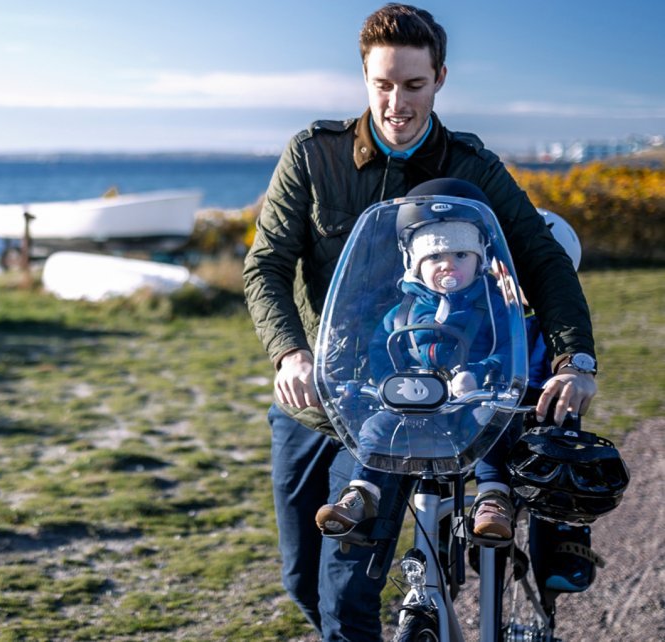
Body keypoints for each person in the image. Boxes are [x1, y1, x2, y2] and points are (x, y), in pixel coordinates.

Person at [242, 4, 598, 640]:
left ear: (439, 79)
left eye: (413, 84)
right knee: (304, 578)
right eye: (383, 84)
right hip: (322, 396)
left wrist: (575, 360)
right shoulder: (312, 155)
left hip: (429, 399)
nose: (396, 103)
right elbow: (264, 265)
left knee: (347, 584)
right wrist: (289, 354)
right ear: (365, 79)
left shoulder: (473, 165)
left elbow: (544, 260)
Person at [315, 212, 516, 540]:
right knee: (376, 427)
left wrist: (479, 374)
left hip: (469, 400)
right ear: (415, 264)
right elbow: (380, 351)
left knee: (489, 421)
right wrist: (385, 385)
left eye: (461, 255)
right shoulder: (400, 313)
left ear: (479, 262)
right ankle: (361, 493)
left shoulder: (494, 309)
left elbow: (510, 350)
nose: (448, 265)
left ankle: (492, 497)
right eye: (435, 256)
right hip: (413, 404)